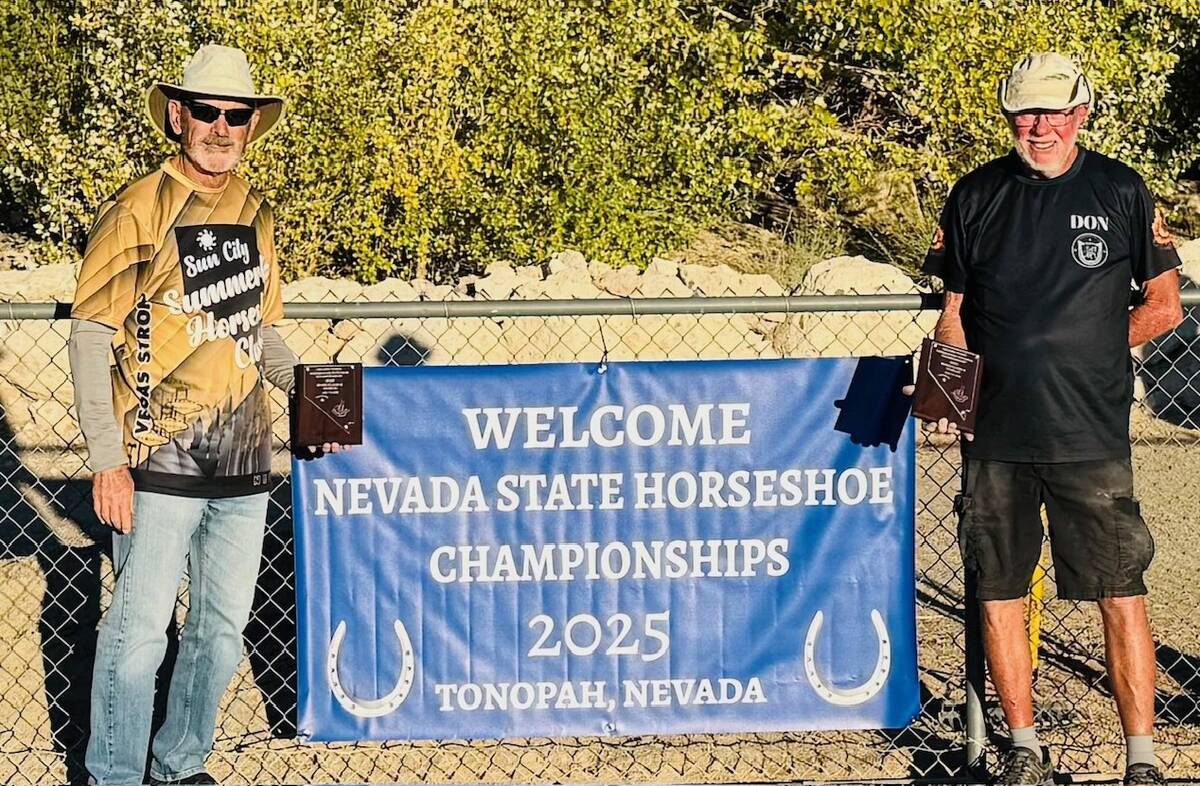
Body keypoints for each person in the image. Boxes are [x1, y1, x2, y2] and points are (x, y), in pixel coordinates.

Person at [69, 45, 342, 786]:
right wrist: (107, 460)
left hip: (245, 464)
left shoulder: (255, 211)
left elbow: (263, 331)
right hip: (156, 462)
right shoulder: (138, 208)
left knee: (220, 634)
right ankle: (115, 775)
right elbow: (90, 336)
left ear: (252, 125)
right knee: (137, 634)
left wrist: (315, 395)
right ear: (178, 117)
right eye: (207, 112)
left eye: (237, 115)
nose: (222, 127)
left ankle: (179, 766)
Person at [920, 53, 1183, 786]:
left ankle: (1141, 761)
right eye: (1024, 113)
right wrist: (947, 396)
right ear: (1009, 116)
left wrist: (1090, 352)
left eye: (1053, 113)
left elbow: (1164, 306)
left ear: (1081, 114)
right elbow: (954, 313)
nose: (1039, 127)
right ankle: (1023, 749)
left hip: (1088, 436)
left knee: (1120, 592)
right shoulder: (975, 194)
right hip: (996, 438)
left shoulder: (1121, 189)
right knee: (998, 591)